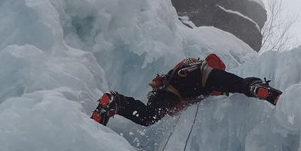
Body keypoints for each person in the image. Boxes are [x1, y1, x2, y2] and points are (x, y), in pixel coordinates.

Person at [91, 54, 282, 126]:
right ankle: (258, 87)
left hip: (170, 89)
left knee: (149, 116)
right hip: (203, 80)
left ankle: (116, 102)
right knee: (239, 84)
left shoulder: (188, 65)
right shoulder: (210, 72)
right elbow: (223, 89)